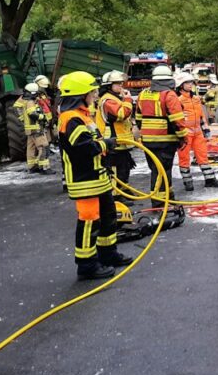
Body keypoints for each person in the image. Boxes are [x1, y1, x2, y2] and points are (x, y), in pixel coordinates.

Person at [58, 71, 132, 279]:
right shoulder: (70, 119)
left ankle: (108, 254)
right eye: (91, 92)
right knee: (89, 221)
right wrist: (107, 144)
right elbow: (84, 148)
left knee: (108, 217)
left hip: (98, 178)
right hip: (85, 180)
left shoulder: (83, 115)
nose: (95, 95)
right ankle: (87, 265)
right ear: (80, 95)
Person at [136, 65, 188, 205]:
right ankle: (160, 202)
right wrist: (183, 137)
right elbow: (177, 120)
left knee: (157, 169)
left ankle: (168, 197)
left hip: (148, 140)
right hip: (165, 140)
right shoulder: (169, 95)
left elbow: (138, 118)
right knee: (162, 171)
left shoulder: (143, 94)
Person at [175, 71, 218, 191]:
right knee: (184, 158)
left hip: (198, 133)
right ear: (181, 85)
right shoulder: (177, 100)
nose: (190, 84)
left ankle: (210, 180)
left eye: (191, 82)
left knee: (203, 156)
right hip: (184, 134)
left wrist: (206, 129)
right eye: (187, 82)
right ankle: (187, 182)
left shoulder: (196, 99)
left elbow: (201, 116)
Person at [96, 70, 137, 203]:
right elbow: (121, 114)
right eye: (117, 84)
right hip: (112, 140)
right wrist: (128, 100)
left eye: (121, 83)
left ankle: (123, 189)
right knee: (115, 168)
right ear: (109, 86)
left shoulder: (115, 98)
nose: (121, 86)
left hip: (120, 140)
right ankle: (116, 196)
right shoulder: (108, 100)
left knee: (124, 166)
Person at [13, 82, 51, 174]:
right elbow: (32, 114)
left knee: (31, 147)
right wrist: (43, 117)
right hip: (36, 128)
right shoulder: (30, 102)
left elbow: (19, 110)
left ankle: (32, 167)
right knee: (44, 147)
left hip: (29, 129)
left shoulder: (24, 100)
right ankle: (44, 168)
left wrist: (23, 120)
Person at [34, 75, 55, 143]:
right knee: (42, 134)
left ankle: (49, 143)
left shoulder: (43, 93)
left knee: (47, 133)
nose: (44, 88)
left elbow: (47, 104)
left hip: (47, 117)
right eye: (42, 87)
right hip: (41, 118)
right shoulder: (34, 94)